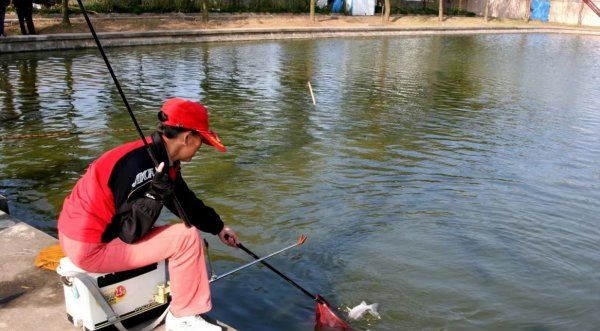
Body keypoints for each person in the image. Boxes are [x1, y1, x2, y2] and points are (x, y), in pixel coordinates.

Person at [58, 98, 239, 331]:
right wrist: (154, 196)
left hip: (80, 236)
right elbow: (129, 234)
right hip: (89, 247)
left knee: (182, 229)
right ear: (187, 138)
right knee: (186, 237)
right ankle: (183, 316)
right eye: (201, 141)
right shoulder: (137, 165)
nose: (201, 147)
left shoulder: (160, 159)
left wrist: (218, 227)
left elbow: (185, 202)